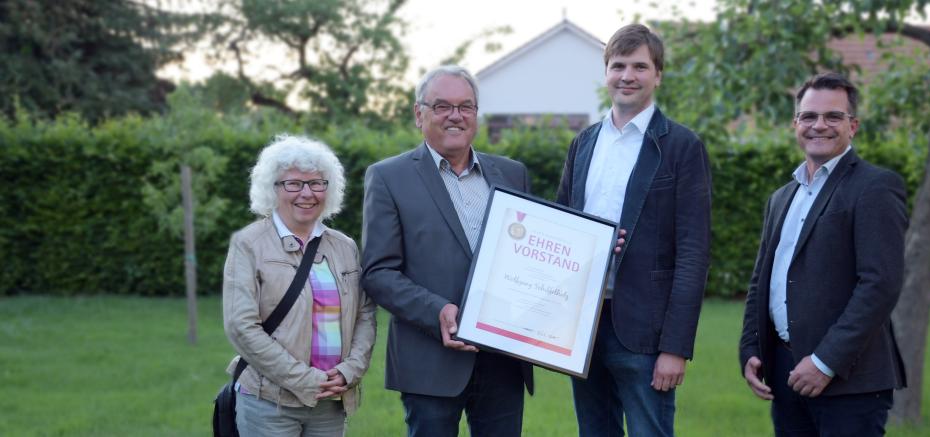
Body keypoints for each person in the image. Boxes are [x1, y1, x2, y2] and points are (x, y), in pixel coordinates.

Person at [360, 65, 534, 437]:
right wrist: (436, 311)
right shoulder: (389, 177)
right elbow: (378, 272)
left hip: (502, 360)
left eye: (465, 106)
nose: (455, 115)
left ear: (476, 114)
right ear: (419, 113)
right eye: (442, 106)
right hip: (429, 361)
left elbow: (530, 256)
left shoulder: (512, 173)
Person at [556, 24, 712, 437]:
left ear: (657, 75)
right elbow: (561, 229)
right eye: (618, 65)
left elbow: (694, 253)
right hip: (585, 327)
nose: (628, 75)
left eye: (640, 66)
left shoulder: (682, 146)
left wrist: (676, 347)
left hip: (645, 333)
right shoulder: (583, 143)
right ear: (606, 72)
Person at [738, 72, 908, 436]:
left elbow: (880, 284)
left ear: (853, 126)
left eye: (833, 117)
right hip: (785, 375)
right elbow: (763, 280)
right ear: (795, 123)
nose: (820, 125)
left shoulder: (875, 187)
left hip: (849, 381)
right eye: (809, 116)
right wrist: (751, 347)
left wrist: (825, 362)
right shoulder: (782, 197)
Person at [222, 134, 377, 436]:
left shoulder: (344, 246)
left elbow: (365, 315)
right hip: (269, 403)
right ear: (272, 188)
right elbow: (242, 326)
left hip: (330, 402)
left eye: (317, 183)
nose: (306, 193)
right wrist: (305, 379)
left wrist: (350, 372)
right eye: (293, 183)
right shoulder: (248, 244)